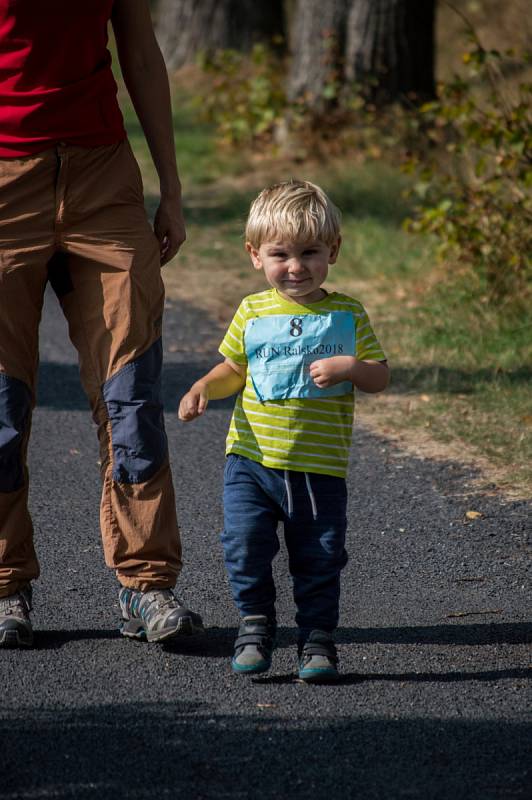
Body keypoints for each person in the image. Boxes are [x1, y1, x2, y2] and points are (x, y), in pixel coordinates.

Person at [0, 0, 203, 647]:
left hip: (102, 178)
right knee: (1, 402)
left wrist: (170, 187)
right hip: (6, 177)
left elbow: (140, 52)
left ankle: (146, 586)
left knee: (131, 389)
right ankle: (5, 585)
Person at [178, 180, 389, 682]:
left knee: (319, 557)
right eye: (281, 254)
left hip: (317, 467)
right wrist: (205, 385)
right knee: (244, 543)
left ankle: (316, 640)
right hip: (250, 459)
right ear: (255, 255)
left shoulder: (347, 313)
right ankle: (254, 625)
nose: (295, 266)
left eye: (310, 252)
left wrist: (350, 367)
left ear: (332, 251)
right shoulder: (252, 311)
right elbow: (234, 367)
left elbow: (379, 376)